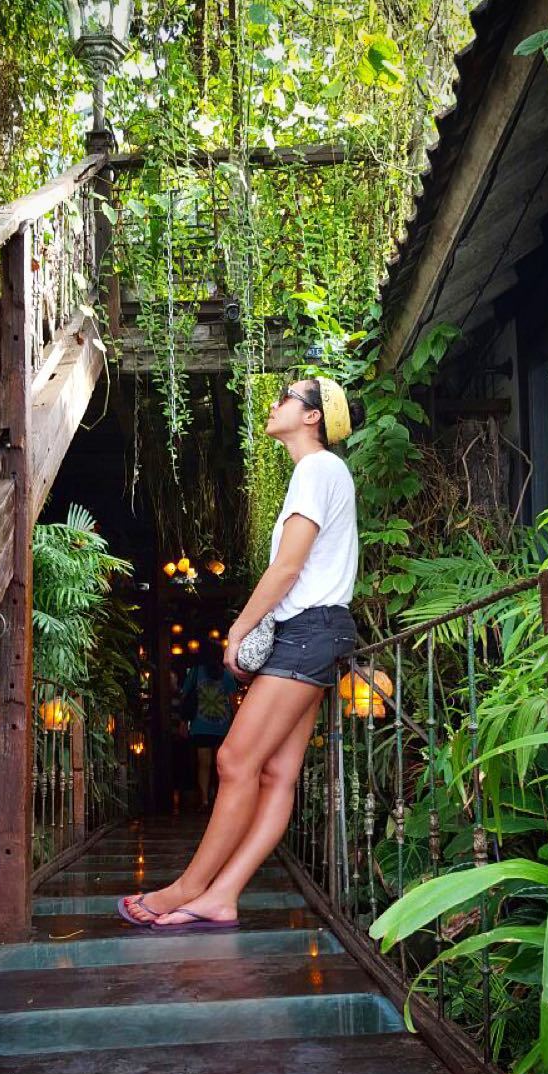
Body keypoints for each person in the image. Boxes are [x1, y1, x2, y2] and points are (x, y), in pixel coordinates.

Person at [120, 376, 364, 932]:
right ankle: (222, 895)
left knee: (233, 761)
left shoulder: (316, 469)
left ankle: (188, 888)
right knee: (276, 774)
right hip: (319, 632)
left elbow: (287, 567)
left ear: (312, 417)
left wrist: (238, 629)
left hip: (308, 632)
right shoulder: (325, 472)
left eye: (287, 397)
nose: (274, 404)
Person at [180, 641, 238, 809]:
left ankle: (205, 799)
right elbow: (233, 704)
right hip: (223, 727)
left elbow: (185, 696)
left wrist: (183, 722)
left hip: (200, 726)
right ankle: (220, 800)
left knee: (203, 765)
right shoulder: (226, 675)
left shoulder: (195, 672)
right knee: (221, 765)